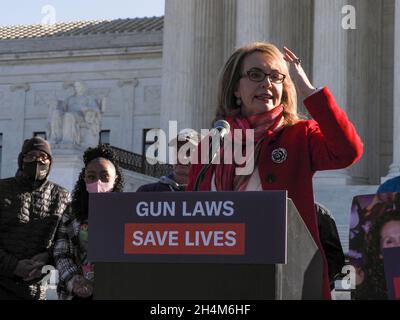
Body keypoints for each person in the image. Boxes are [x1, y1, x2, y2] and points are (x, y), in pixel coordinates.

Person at [186, 42, 363, 299]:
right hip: (220, 276)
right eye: (255, 75)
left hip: (283, 277)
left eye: (276, 77)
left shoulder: (300, 135)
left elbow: (348, 151)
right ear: (235, 88)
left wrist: (307, 89)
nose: (266, 83)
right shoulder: (211, 144)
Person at [0, 137, 70, 299]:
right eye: (31, 156)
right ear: (21, 160)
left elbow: (64, 241)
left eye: (43, 157)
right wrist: (14, 266)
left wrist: (47, 258)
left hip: (37, 288)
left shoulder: (62, 196)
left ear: (50, 162)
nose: (37, 161)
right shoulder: (2, 189)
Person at [53, 144, 124, 300]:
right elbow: (61, 252)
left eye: (104, 176)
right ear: (84, 178)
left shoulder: (127, 211)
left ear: (115, 179)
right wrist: (74, 279)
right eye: (92, 176)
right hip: (76, 293)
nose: (98, 182)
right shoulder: (71, 212)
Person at [355, 207, 400, 299]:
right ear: (380, 253)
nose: (398, 245)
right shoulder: (373, 291)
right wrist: (358, 288)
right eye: (389, 241)